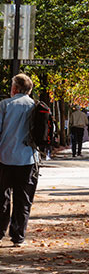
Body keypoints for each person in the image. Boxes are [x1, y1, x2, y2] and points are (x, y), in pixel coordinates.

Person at [0, 74, 39, 246]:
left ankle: (0, 232)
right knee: (23, 199)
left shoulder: (5, 105)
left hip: (4, 158)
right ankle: (18, 237)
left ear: (15, 88)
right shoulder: (35, 106)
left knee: (2, 197)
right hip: (28, 159)